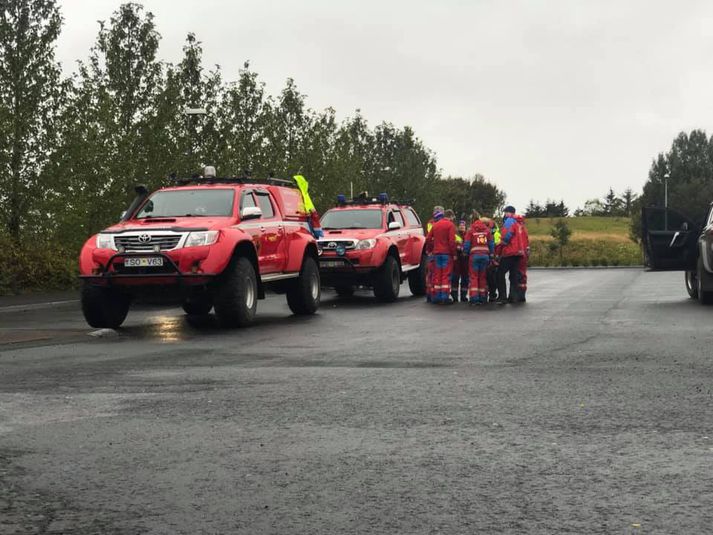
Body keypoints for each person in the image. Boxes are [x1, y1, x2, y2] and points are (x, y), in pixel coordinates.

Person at [424, 208, 457, 304]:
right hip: (447, 254)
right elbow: (452, 241)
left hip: (436, 254)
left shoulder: (435, 225)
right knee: (446, 275)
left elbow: (428, 239)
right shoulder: (450, 225)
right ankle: (444, 297)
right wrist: (454, 254)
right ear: (450, 217)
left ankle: (436, 297)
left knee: (437, 275)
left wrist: (430, 249)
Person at [464, 212, 494, 305]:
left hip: (474, 256)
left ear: (472, 220)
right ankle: (483, 297)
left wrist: (465, 252)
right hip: (485, 256)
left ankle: (474, 298)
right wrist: (492, 254)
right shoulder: (487, 230)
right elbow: (491, 243)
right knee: (482, 277)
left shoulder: (471, 230)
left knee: (474, 277)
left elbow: (467, 244)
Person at [496, 206, 524, 304]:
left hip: (510, 251)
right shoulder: (518, 223)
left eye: (506, 212)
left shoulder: (509, 221)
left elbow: (507, 234)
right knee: (513, 275)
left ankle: (502, 297)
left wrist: (502, 242)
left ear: (510, 213)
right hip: (518, 252)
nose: (505, 214)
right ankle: (513, 297)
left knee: (500, 273)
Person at [424, 206, 443, 302]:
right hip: (436, 251)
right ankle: (432, 295)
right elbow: (430, 237)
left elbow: (429, 238)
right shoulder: (433, 224)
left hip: (432, 251)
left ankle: (430, 294)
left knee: (431, 274)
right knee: (435, 274)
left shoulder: (431, 223)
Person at [451, 219, 469, 302]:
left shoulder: (468, 234)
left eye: (463, 225)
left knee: (465, 278)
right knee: (455, 277)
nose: (462, 227)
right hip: (457, 258)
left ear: (465, 227)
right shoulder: (455, 235)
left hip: (465, 259)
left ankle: (463, 296)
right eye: (460, 225)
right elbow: (453, 243)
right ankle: (454, 295)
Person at [515, 214, 529, 302]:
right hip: (524, 254)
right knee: (523, 274)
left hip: (518, 254)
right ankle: (522, 294)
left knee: (516, 274)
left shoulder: (517, 229)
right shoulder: (524, 230)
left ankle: (517, 294)